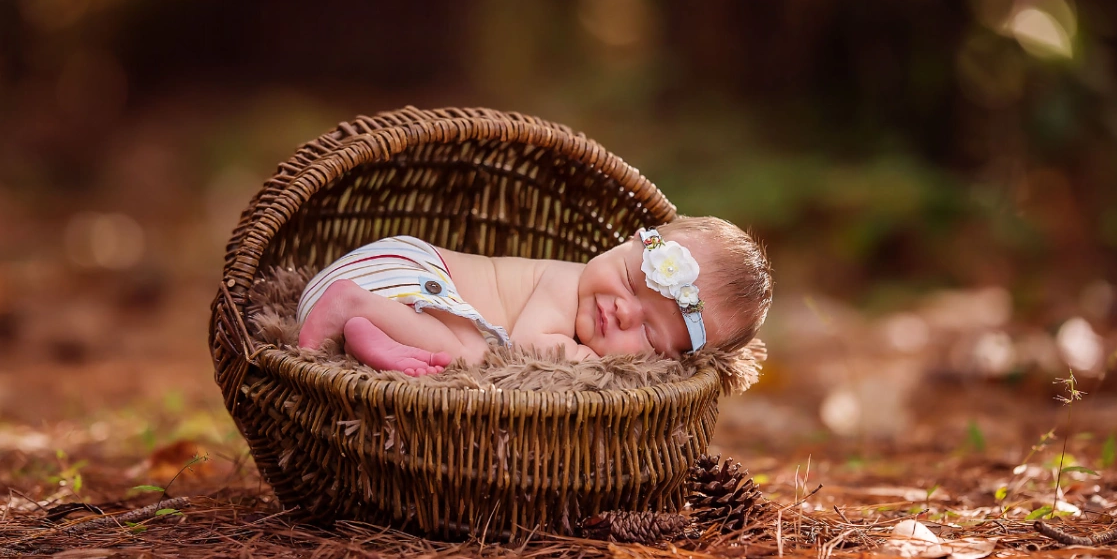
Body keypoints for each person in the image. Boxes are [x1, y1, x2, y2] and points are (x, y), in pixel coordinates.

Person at [296, 216, 773, 376]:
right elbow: (526, 347)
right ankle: (356, 308)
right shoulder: (566, 283)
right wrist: (589, 360)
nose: (621, 311)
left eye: (648, 331)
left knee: (464, 347)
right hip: (401, 273)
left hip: (389, 281)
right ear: (628, 240)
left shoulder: (595, 291)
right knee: (475, 356)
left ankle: (370, 331)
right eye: (629, 282)